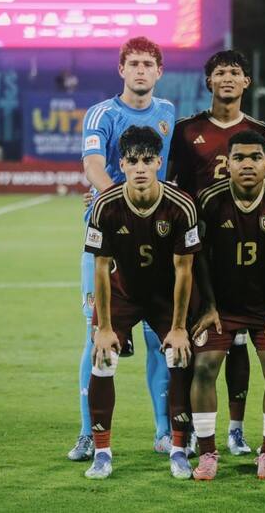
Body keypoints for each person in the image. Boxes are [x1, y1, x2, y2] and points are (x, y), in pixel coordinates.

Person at [70, 36, 176, 462]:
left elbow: (168, 171)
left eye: (148, 63)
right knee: (98, 335)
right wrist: (117, 199)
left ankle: (164, 433)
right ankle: (86, 433)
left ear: (159, 71)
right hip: (107, 241)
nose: (140, 70)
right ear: (121, 69)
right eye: (133, 63)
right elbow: (93, 164)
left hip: (156, 242)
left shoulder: (167, 113)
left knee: (159, 339)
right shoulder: (102, 113)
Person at [168, 50, 265, 456]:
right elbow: (175, 185)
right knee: (204, 342)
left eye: (234, 73)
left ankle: (235, 429)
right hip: (197, 251)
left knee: (241, 340)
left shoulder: (259, 129)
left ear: (246, 81)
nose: (227, 78)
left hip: (245, 250)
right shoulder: (186, 129)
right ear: (208, 81)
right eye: (219, 73)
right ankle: (192, 429)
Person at [83, 125, 200, 479]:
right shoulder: (105, 204)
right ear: (122, 163)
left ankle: (179, 448)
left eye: (147, 160)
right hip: (123, 292)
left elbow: (184, 272)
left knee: (180, 356)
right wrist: (103, 327)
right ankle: (101, 453)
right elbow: (101, 270)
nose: (139, 168)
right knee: (102, 358)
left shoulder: (182, 206)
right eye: (132, 161)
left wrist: (179, 328)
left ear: (159, 163)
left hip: (166, 296)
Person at [189, 130, 265, 480]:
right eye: (239, 158)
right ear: (228, 164)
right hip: (221, 307)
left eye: (254, 158)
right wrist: (208, 306)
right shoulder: (208, 200)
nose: (247, 164)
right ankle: (207, 454)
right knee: (204, 367)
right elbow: (199, 258)